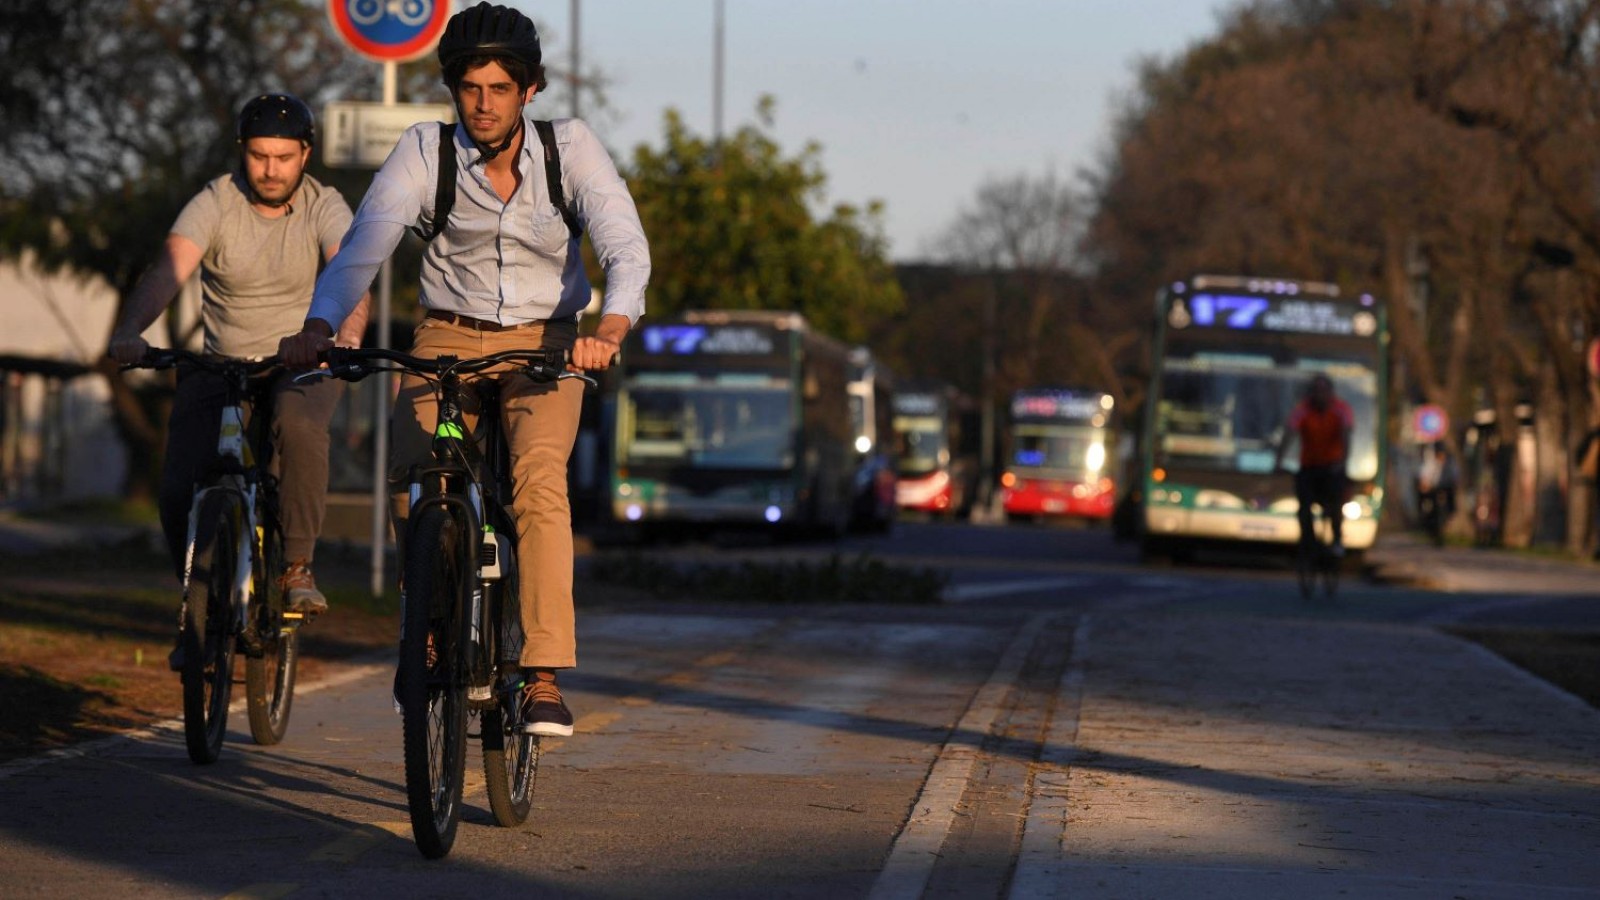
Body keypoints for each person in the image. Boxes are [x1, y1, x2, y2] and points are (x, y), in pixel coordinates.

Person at [278, 2, 650, 738]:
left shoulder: (569, 147)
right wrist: (320, 324)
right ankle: (424, 632)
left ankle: (541, 672)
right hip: (447, 336)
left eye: (498, 89)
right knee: (416, 474)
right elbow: (364, 246)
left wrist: (610, 326)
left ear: (529, 90)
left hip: (548, 344)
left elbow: (623, 244)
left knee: (538, 479)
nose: (481, 105)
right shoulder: (425, 150)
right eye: (468, 88)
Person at [108, 93, 370, 640]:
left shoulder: (326, 205)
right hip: (220, 363)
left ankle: (296, 565)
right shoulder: (215, 201)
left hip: (299, 360)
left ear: (305, 154)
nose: (270, 170)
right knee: (179, 485)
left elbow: (348, 274)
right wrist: (131, 330)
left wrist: (344, 337)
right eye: (258, 156)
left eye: (283, 157)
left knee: (299, 428)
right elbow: (167, 271)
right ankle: (198, 598)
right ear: (241, 153)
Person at [1274, 373, 1354, 555]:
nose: (1320, 395)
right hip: (1309, 466)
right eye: (1316, 391)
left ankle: (1337, 539)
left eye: (1324, 391)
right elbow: (1289, 434)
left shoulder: (1341, 409)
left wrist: (1342, 462)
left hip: (1332, 465)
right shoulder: (1302, 409)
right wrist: (1279, 460)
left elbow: (1346, 437)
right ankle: (1308, 542)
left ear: (1331, 393)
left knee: (1336, 503)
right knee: (1303, 506)